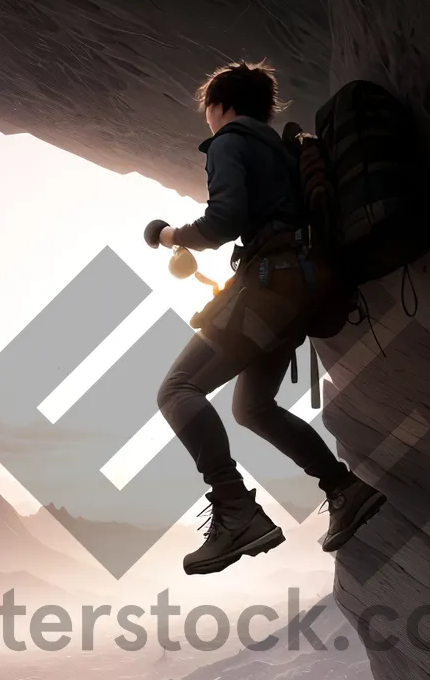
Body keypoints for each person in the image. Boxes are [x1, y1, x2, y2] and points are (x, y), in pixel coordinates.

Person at [145, 60, 386, 575]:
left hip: (270, 284)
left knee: (177, 389)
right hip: (304, 286)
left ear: (220, 105)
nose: (207, 122)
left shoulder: (231, 140)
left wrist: (167, 235)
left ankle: (236, 510)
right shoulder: (282, 149)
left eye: (208, 112)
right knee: (252, 406)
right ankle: (343, 488)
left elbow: (223, 220)